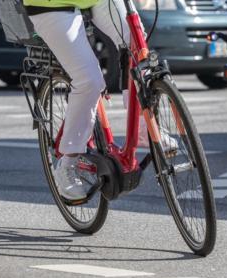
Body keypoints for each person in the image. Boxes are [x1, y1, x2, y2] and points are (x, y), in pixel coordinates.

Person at [23, 0, 177, 201]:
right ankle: (68, 162)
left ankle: (142, 127)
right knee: (89, 81)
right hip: (53, 5)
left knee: (137, 46)